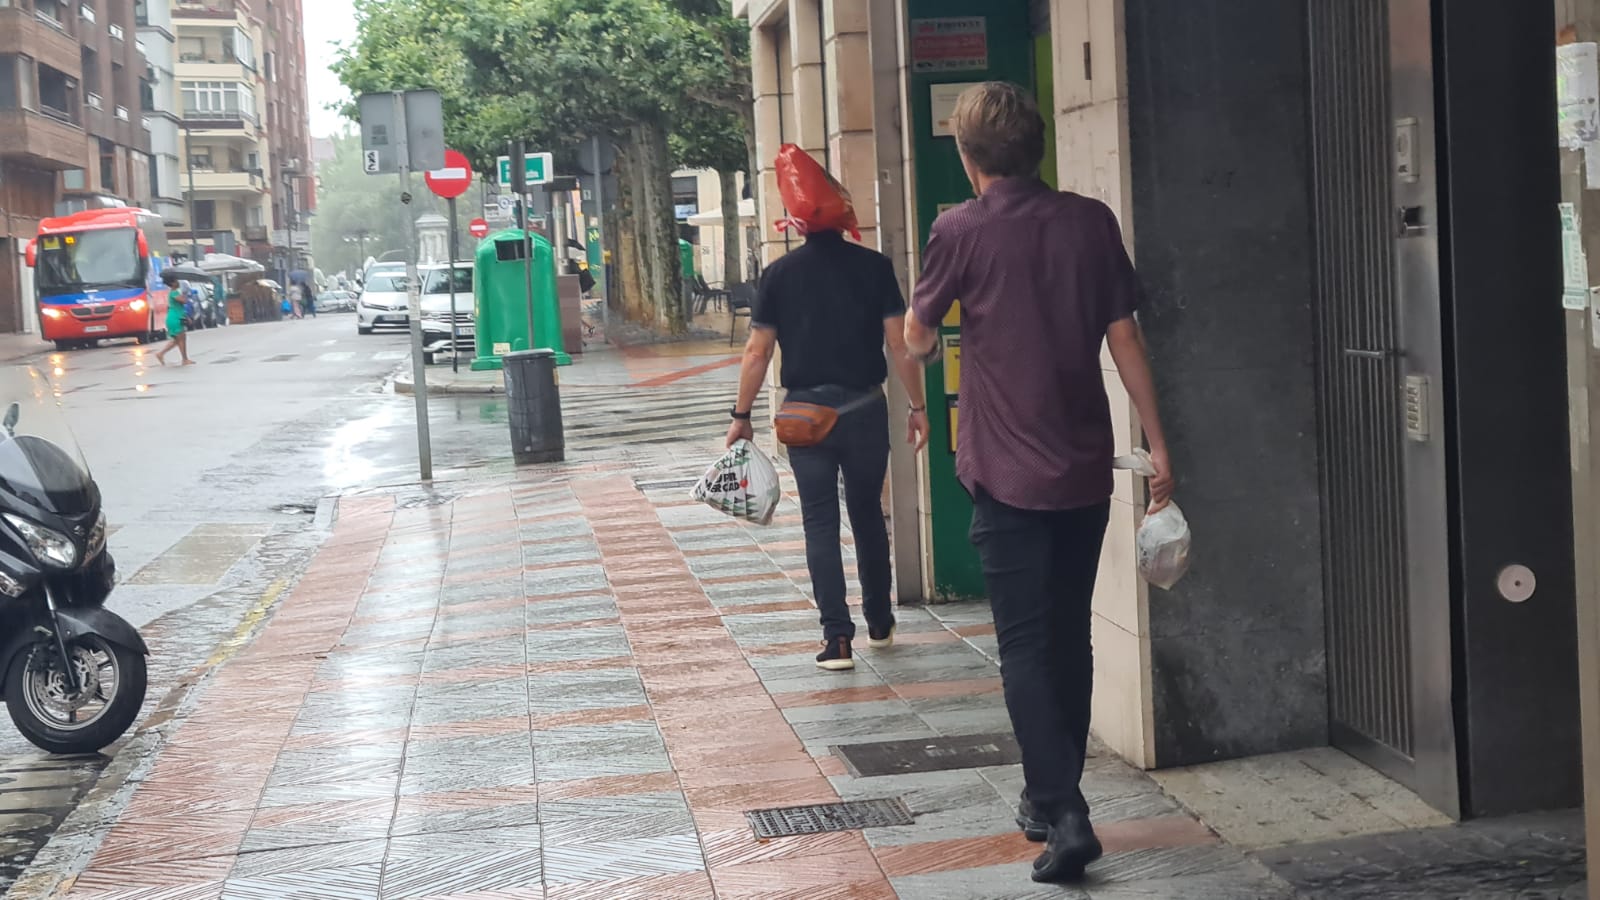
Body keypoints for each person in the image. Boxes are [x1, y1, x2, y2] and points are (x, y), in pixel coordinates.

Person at [904, 82, 1174, 884]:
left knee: (1024, 645)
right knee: (1071, 636)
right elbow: (1125, 338)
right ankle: (1049, 793)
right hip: (1085, 466)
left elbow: (917, 338)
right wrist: (1160, 444)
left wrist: (921, 347)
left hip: (1005, 471)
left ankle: (1063, 809)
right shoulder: (1091, 222)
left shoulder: (958, 229)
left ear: (967, 155)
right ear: (1038, 147)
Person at [726, 216, 929, 672]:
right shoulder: (875, 267)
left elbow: (757, 352)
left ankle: (837, 638)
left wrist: (741, 416)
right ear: (843, 220)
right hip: (864, 411)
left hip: (804, 419)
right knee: (867, 517)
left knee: (819, 522)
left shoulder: (779, 274)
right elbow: (899, 346)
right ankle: (879, 623)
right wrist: (918, 406)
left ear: (798, 222)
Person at [154, 270, 193, 366]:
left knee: (177, 340)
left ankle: (160, 354)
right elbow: (184, 301)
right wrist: (185, 292)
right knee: (181, 338)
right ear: (172, 283)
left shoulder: (174, 292)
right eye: (176, 281)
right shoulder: (174, 293)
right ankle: (185, 359)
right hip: (174, 318)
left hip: (176, 317)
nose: (178, 282)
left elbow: (181, 306)